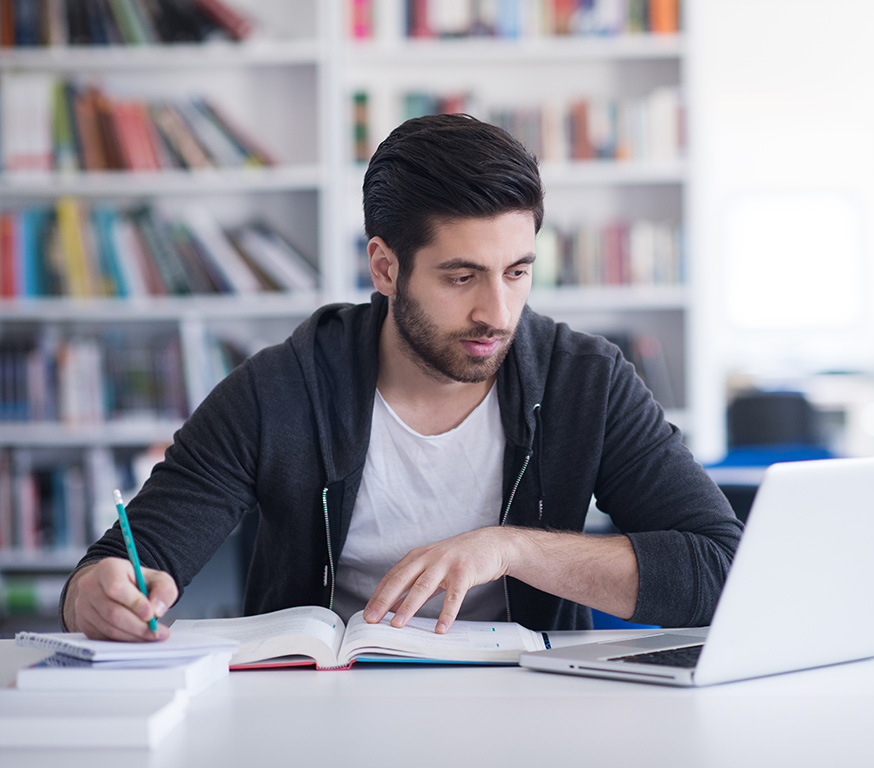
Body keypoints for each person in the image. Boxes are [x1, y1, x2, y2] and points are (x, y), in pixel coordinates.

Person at [60, 114, 743, 642]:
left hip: (530, 712)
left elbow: (720, 569)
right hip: (320, 712)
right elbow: (120, 561)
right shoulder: (279, 390)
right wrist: (97, 593)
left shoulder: (585, 383)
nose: (497, 313)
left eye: (516, 272)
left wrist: (509, 549)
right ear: (384, 268)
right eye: (461, 277)